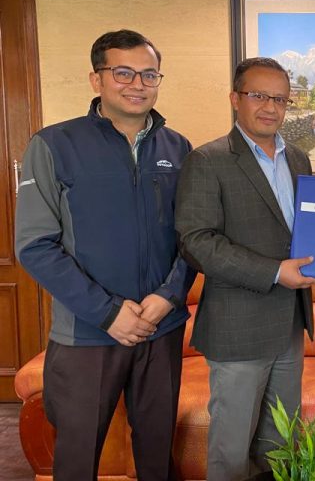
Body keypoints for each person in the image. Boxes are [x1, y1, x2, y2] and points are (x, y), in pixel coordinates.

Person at [15, 29, 195, 481]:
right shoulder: (53, 145)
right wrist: (109, 313)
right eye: (123, 73)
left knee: (157, 455)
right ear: (97, 79)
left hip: (160, 328)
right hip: (87, 333)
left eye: (149, 74)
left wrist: (168, 297)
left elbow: (194, 237)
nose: (138, 84)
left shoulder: (178, 148)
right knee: (77, 459)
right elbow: (35, 245)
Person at [175, 57, 315, 481]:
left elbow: (307, 232)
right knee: (232, 451)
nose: (271, 107)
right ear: (235, 99)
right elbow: (196, 242)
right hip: (238, 326)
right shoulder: (208, 160)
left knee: (282, 445)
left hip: (290, 323)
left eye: (280, 99)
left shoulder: (299, 159)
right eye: (259, 96)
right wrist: (274, 271)